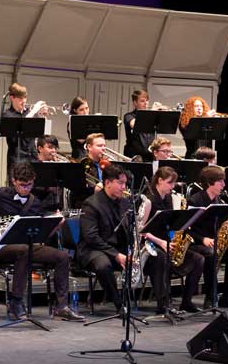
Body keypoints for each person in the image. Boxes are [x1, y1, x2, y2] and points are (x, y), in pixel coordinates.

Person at [0, 161, 85, 321]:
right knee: (23, 250)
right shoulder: (0, 194)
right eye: (22, 185)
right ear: (14, 180)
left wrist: (57, 224)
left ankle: (61, 307)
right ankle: (16, 302)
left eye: (29, 185)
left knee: (62, 257)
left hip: (25, 247)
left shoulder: (35, 202)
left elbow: (42, 236)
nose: (26, 189)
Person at [140, 166, 204, 315]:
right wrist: (161, 243)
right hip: (149, 245)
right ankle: (163, 304)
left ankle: (186, 302)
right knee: (162, 258)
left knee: (198, 259)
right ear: (160, 181)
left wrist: (176, 236)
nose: (173, 186)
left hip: (165, 243)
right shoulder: (149, 199)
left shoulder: (168, 198)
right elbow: (141, 230)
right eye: (170, 183)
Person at [186, 165, 228, 308]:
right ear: (210, 182)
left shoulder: (220, 200)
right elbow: (186, 229)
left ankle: (227, 296)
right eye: (220, 182)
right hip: (197, 243)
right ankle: (210, 296)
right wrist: (203, 239)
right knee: (212, 255)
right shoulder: (195, 201)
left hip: (216, 242)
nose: (224, 185)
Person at [77, 163, 131, 314]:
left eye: (125, 183)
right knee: (103, 265)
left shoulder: (125, 203)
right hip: (93, 249)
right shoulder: (91, 204)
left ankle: (163, 305)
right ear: (107, 183)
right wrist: (116, 255)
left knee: (157, 258)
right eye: (120, 183)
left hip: (116, 248)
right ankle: (119, 304)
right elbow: (91, 237)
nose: (123, 187)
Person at [2, 82, 48, 170]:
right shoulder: (7, 115)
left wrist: (43, 116)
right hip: (17, 160)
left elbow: (41, 134)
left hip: (33, 158)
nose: (24, 101)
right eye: (20, 98)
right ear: (12, 98)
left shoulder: (29, 113)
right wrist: (34, 111)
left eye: (25, 97)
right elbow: (18, 130)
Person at [69, 133, 107, 211]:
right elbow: (89, 189)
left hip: (103, 204)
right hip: (86, 205)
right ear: (89, 147)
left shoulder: (105, 164)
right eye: (99, 146)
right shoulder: (83, 164)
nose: (103, 148)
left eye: (104, 145)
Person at [122, 89, 155, 161]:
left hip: (149, 157)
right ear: (135, 103)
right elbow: (135, 124)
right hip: (133, 156)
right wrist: (152, 113)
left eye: (147, 101)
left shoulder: (152, 117)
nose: (146, 103)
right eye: (142, 101)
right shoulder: (129, 116)